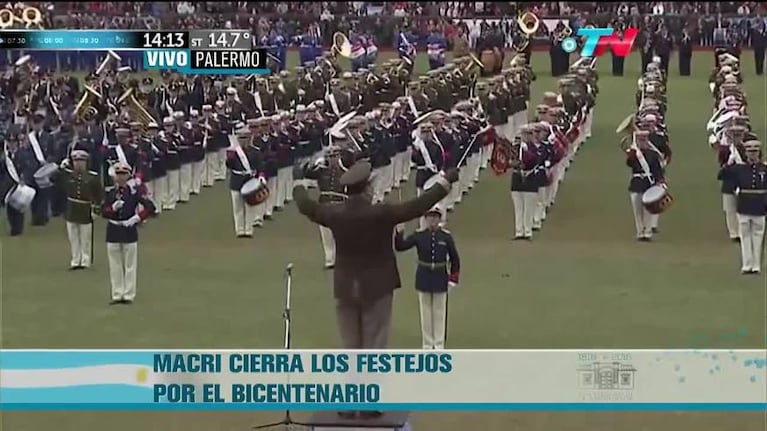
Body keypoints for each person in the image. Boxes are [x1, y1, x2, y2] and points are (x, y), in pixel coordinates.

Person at [293, 160, 458, 347]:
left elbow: (305, 205)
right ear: (367, 189)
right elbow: (418, 206)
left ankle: (355, 377)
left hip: (346, 287)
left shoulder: (335, 214)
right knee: (375, 345)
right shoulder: (382, 213)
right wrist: (445, 182)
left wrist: (298, 181)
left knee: (351, 347)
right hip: (378, 287)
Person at [394, 205, 460, 350]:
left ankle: (439, 343)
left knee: (439, 311)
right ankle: (427, 343)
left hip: (440, 276)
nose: (432, 220)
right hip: (424, 276)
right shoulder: (419, 236)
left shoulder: (446, 237)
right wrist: (399, 232)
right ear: (425, 219)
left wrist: (453, 278)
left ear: (439, 219)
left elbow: (455, 258)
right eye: (430, 217)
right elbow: (401, 246)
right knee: (425, 311)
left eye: (435, 217)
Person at [101, 162, 156, 305]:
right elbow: (102, 212)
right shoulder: (110, 192)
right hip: (113, 230)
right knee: (115, 264)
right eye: (118, 174)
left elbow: (150, 207)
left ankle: (129, 294)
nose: (120, 178)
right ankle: (117, 293)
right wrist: (112, 208)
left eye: (123, 174)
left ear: (128, 176)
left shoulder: (134, 192)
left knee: (130, 264)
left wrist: (137, 218)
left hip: (128, 229)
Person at [303, 142, 355, 269]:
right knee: (326, 235)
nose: (332, 158)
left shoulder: (346, 169)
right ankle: (330, 259)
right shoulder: (321, 170)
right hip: (325, 204)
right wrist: (313, 164)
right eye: (330, 155)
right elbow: (307, 174)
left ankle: (341, 257)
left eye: (335, 155)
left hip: (339, 203)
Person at [723, 140, 767, 274]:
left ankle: (756, 265)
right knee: (745, 236)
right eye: (750, 151)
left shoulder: (764, 169)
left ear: (759, 152)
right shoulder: (739, 168)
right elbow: (722, 176)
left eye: (755, 151)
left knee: (758, 237)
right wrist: (729, 163)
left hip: (760, 206)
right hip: (744, 205)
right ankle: (747, 264)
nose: (752, 154)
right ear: (746, 153)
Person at [55, 150, 104, 270]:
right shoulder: (68, 175)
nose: (79, 164)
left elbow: (99, 196)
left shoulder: (93, 177)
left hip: (85, 209)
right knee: (73, 237)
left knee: (85, 237)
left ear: (86, 163)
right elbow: (54, 179)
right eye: (76, 161)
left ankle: (85, 260)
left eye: (81, 161)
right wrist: (60, 168)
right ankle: (75, 260)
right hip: (71, 209)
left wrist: (96, 211)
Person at [626, 130, 665, 241]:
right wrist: (632, 151)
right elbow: (629, 163)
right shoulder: (634, 154)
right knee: (637, 211)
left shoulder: (652, 154)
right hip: (636, 184)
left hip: (648, 184)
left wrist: (660, 181)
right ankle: (640, 232)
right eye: (640, 140)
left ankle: (647, 232)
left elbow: (657, 170)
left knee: (648, 210)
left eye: (644, 140)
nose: (642, 142)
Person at [226, 128, 266, 238]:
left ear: (250, 138)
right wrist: (230, 158)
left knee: (250, 207)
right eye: (241, 138)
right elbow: (229, 166)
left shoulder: (255, 151)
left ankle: (248, 230)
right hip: (236, 181)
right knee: (237, 207)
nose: (243, 140)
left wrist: (261, 176)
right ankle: (239, 230)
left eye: (245, 138)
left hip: (249, 181)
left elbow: (260, 165)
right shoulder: (234, 151)